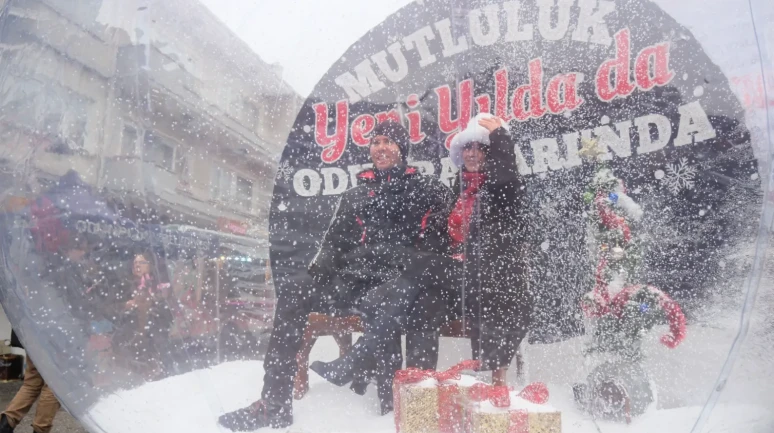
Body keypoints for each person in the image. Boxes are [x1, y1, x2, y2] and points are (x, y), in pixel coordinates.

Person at [218, 120, 452, 430]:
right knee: (296, 290)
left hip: (398, 284)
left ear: (402, 148)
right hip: (354, 282)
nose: (381, 148)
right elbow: (333, 246)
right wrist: (314, 277)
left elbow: (439, 245)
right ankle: (274, 404)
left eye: (388, 141)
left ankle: (401, 413)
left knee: (395, 306)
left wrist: (400, 268)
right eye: (376, 142)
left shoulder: (426, 189)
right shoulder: (356, 195)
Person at [446, 113, 532, 386]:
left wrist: (500, 139)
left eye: (480, 148)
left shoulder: (501, 189)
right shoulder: (455, 188)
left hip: (489, 273)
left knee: (508, 290)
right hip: (455, 274)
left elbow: (505, 178)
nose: (471, 154)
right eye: (467, 147)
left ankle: (496, 379)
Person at [0, 333, 61, 433]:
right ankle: (40, 429)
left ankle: (5, 425)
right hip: (57, 336)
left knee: (31, 384)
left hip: (32, 333)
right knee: (53, 385)